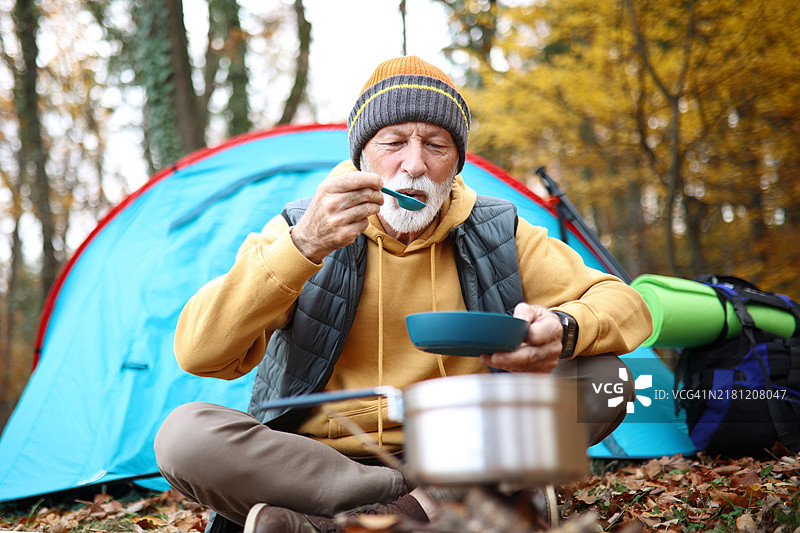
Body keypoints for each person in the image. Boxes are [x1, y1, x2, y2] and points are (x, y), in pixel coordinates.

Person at [155, 56, 653, 533]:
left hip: (459, 444)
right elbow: (199, 352)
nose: (414, 165)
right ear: (362, 155)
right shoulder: (302, 227)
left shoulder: (499, 230)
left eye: (435, 145)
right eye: (394, 142)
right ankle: (435, 504)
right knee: (184, 436)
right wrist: (303, 246)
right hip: (317, 459)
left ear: (456, 162)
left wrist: (563, 330)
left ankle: (347, 524)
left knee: (606, 378)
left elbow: (627, 305)